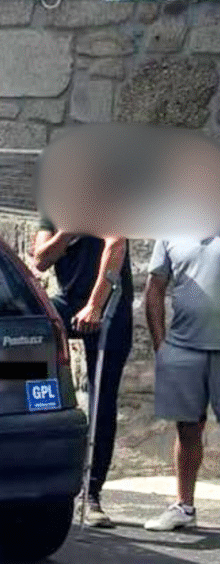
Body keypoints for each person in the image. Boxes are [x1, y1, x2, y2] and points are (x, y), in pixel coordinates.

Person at [33, 210, 134, 528]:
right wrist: (66, 231)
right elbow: (40, 260)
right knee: (33, 333)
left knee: (102, 399)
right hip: (69, 300)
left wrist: (94, 306)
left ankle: (92, 494)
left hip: (109, 305)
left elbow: (115, 244)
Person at [141, 235, 220, 531]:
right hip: (185, 347)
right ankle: (184, 507)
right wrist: (161, 346)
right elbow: (155, 288)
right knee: (187, 429)